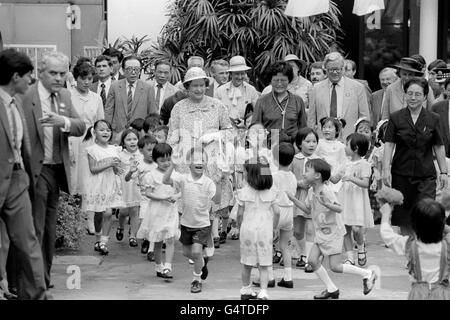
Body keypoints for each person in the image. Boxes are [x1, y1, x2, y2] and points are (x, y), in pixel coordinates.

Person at [22, 51, 86, 290]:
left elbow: (81, 126)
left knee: (49, 230)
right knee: (35, 228)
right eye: (53, 73)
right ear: (41, 72)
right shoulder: (25, 96)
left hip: (56, 170)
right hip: (33, 171)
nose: (59, 78)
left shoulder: (65, 96)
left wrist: (64, 122)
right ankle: (31, 280)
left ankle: (43, 279)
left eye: (62, 73)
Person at [287, 159, 377, 299]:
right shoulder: (311, 191)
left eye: (307, 171)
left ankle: (367, 274)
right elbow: (307, 209)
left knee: (335, 266)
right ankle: (331, 288)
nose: (304, 174)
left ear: (317, 176)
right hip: (321, 233)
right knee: (312, 261)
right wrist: (293, 200)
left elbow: (339, 208)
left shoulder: (326, 191)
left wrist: (327, 204)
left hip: (333, 232)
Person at [0, 48, 47, 299]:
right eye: (29, 75)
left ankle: (36, 296)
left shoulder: (17, 101)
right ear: (16, 76)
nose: (32, 81)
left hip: (18, 180)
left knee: (28, 244)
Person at [382, 77, 448, 236]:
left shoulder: (433, 119)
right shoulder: (396, 117)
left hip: (425, 177)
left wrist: (444, 172)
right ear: (405, 95)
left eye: (417, 94)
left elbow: (438, 146)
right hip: (401, 174)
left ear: (425, 96)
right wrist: (385, 169)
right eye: (409, 93)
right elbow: (389, 144)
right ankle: (409, 254)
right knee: (404, 219)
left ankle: (422, 249)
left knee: (425, 214)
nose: (413, 97)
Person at [163, 148, 217, 294]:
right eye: (196, 160)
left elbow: (216, 199)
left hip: (202, 225)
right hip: (186, 223)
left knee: (196, 250)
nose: (199, 162)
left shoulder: (208, 182)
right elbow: (165, 180)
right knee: (187, 253)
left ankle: (196, 280)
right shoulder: (183, 179)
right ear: (188, 163)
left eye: (203, 160)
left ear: (206, 163)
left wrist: (222, 176)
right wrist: (173, 165)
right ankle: (202, 263)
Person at [380, 197, 450, 300]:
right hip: (442, 295)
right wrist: (436, 222)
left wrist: (386, 214)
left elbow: (386, 234)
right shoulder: (447, 246)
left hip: (418, 294)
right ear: (442, 224)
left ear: (414, 224)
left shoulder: (409, 245)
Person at [236, 157, 280, 300]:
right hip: (265, 230)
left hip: (247, 230)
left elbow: (240, 214)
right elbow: (277, 212)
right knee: (264, 263)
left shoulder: (243, 192)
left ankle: (245, 289)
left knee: (247, 262)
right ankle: (263, 291)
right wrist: (274, 228)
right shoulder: (271, 191)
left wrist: (239, 226)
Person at [138, 143, 180, 280]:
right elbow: (148, 193)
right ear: (155, 160)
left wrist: (175, 197)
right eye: (162, 160)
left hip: (171, 211)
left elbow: (181, 191)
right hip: (156, 211)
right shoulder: (151, 175)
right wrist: (163, 197)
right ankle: (158, 266)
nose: (166, 163)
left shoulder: (176, 174)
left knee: (170, 238)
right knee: (157, 241)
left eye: (168, 160)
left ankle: (168, 266)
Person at [308, 52, 371, 141]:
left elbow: (364, 118)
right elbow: (311, 120)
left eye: (338, 69)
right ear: (325, 70)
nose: (335, 72)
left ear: (343, 68)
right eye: (331, 69)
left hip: (350, 141)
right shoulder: (316, 88)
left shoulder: (358, 87)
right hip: (323, 141)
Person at [82, 120, 123, 255]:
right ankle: (98, 238)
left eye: (108, 130)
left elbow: (117, 170)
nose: (106, 132)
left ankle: (104, 242)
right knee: (98, 213)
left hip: (110, 184)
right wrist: (109, 163)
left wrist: (117, 167)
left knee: (108, 213)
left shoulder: (114, 149)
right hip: (98, 185)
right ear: (94, 132)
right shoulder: (92, 150)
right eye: (102, 129)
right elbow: (93, 169)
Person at [335, 133, 374, 267]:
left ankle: (361, 247)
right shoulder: (345, 163)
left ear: (355, 148)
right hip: (345, 198)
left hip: (357, 200)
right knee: (345, 229)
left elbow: (365, 183)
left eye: (347, 144)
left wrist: (351, 178)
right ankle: (350, 257)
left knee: (357, 229)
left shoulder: (364, 164)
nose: (344, 147)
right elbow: (335, 179)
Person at [68, 62, 104, 196]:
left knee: (88, 179)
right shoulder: (68, 96)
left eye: (89, 79)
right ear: (76, 78)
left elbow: (100, 123)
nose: (86, 82)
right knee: (72, 178)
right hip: (72, 140)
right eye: (83, 78)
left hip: (90, 141)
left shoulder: (96, 98)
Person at [104, 55, 157, 143]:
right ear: (123, 70)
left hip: (140, 135)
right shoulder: (115, 86)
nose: (133, 72)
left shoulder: (148, 88)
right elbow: (109, 111)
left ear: (140, 71)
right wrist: (107, 132)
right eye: (129, 69)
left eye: (136, 69)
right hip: (117, 133)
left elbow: (152, 114)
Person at [252, 61, 307, 142]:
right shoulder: (262, 101)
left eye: (283, 80)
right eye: (276, 80)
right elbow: (255, 128)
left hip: (292, 147)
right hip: (269, 148)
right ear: (270, 81)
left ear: (289, 80)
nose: (279, 84)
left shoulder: (297, 101)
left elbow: (303, 129)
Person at [291, 128, 321, 272]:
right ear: (299, 143)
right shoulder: (294, 159)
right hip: (298, 198)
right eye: (307, 141)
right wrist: (297, 183)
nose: (311, 144)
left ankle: (308, 257)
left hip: (313, 197)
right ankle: (302, 251)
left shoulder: (319, 160)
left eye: (314, 141)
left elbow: (325, 178)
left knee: (310, 229)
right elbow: (288, 177)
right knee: (297, 231)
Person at [271, 143, 297, 288]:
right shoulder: (293, 176)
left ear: (275, 160)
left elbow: (271, 196)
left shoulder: (274, 176)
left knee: (267, 245)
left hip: (276, 212)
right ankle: (288, 277)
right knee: (285, 246)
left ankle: (268, 276)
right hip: (289, 211)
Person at [116, 128, 143, 247]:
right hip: (125, 186)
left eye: (135, 139)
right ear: (123, 142)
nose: (132, 142)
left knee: (135, 210)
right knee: (123, 211)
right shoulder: (120, 155)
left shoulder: (141, 154)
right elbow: (117, 171)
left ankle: (133, 236)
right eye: (129, 139)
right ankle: (121, 227)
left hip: (136, 186)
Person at [215, 55, 259, 126]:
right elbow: (215, 114)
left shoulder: (251, 90)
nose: (240, 77)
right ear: (231, 74)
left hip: (245, 130)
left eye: (242, 73)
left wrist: (246, 122)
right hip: (225, 130)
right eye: (237, 74)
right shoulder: (220, 91)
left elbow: (258, 113)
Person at [134, 135, 158, 257]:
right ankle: (146, 240)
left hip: (156, 199)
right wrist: (130, 172)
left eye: (154, 150)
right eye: (149, 150)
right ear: (141, 150)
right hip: (144, 198)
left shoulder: (159, 164)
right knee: (144, 221)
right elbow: (129, 178)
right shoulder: (139, 164)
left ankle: (151, 250)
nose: (151, 153)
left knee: (154, 223)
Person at [315, 117, 348, 194]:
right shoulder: (319, 143)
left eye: (330, 127)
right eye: (324, 127)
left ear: (337, 130)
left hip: (335, 175)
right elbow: (314, 157)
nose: (326, 130)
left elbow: (344, 162)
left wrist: (337, 176)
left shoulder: (341, 146)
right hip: (321, 174)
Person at [431, 78, 450, 157]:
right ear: (445, 91)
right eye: (449, 90)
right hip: (443, 156)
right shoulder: (437, 107)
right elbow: (431, 132)